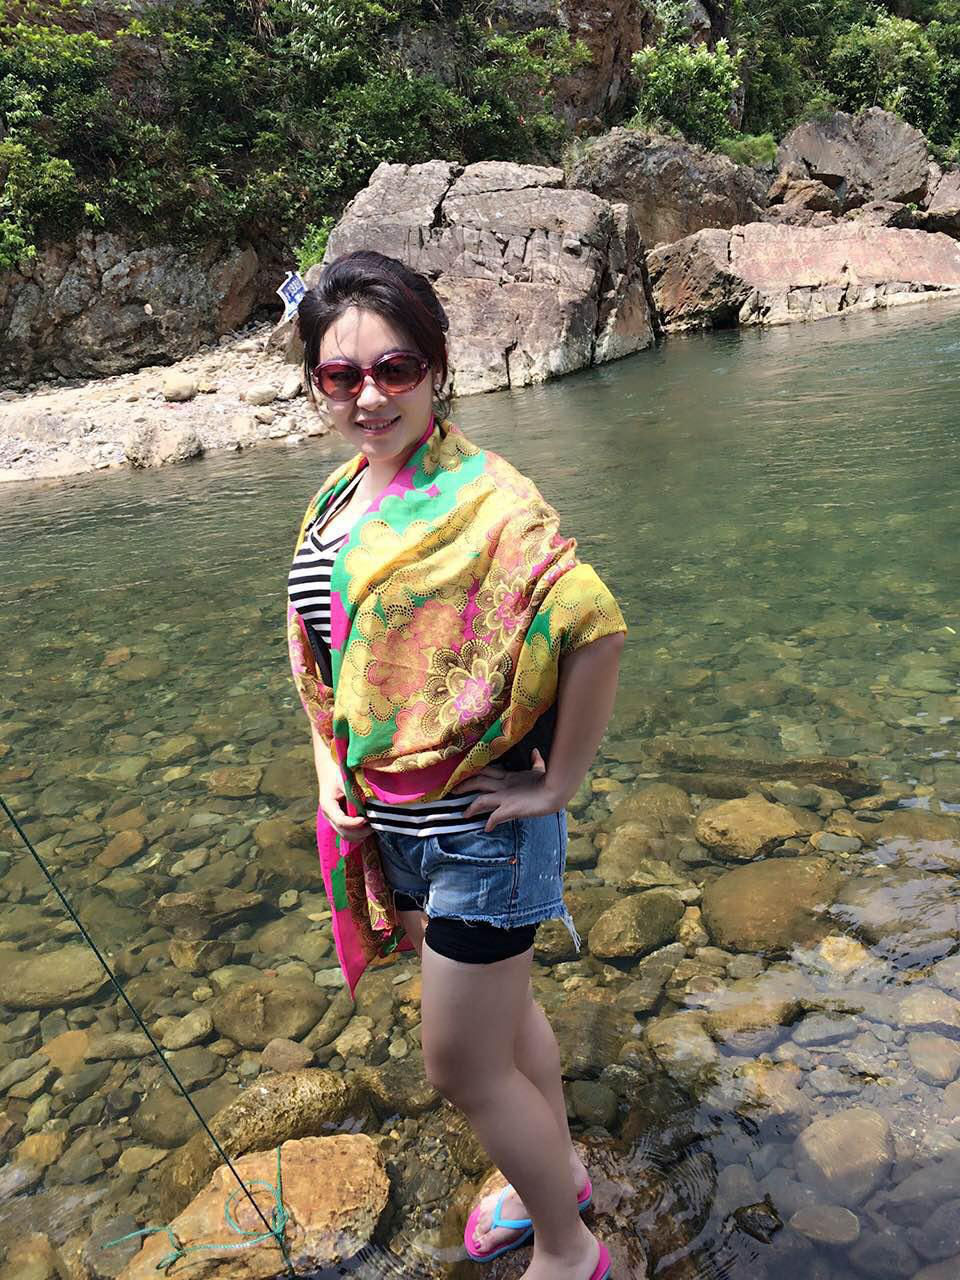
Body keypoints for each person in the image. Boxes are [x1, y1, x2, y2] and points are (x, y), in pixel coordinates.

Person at [286, 249, 625, 1280]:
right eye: (343, 375)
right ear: (316, 383)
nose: (370, 396)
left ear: (436, 368)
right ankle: (557, 1175)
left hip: (485, 831)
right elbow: (325, 651)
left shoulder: (489, 501)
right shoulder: (339, 495)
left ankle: (570, 1250)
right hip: (400, 831)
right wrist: (327, 763)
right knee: (509, 1020)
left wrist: (557, 783)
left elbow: (592, 623)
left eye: (395, 369)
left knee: (461, 1068)